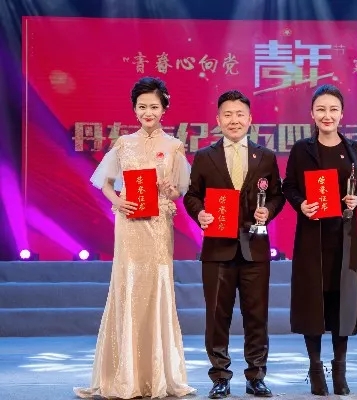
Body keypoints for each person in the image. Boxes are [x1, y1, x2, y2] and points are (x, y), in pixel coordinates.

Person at [74, 77, 196, 399]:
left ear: (164, 108)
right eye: (142, 107)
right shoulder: (123, 144)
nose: (147, 112)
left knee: (157, 287)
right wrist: (118, 201)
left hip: (158, 226)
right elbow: (104, 182)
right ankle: (124, 375)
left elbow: (179, 191)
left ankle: (156, 375)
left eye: (154, 106)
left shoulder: (174, 146)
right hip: (129, 224)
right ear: (134, 109)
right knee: (127, 286)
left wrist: (170, 190)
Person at [183, 90, 285, 399]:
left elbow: (277, 195)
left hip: (255, 246)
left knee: (257, 315)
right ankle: (220, 376)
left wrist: (269, 212)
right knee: (218, 316)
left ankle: (256, 375)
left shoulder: (265, 156)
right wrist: (200, 213)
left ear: (250, 119)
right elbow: (192, 195)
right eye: (227, 114)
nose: (234, 120)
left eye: (240, 114)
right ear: (218, 120)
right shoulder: (205, 156)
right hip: (217, 248)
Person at [282, 84, 357, 396]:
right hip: (312, 238)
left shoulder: (354, 150)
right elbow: (289, 186)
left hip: (344, 238)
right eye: (321, 109)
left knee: (341, 303)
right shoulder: (302, 149)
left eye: (333, 109)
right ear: (312, 113)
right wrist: (301, 205)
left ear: (342, 114)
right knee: (313, 303)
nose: (327, 115)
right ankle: (315, 367)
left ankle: (340, 368)